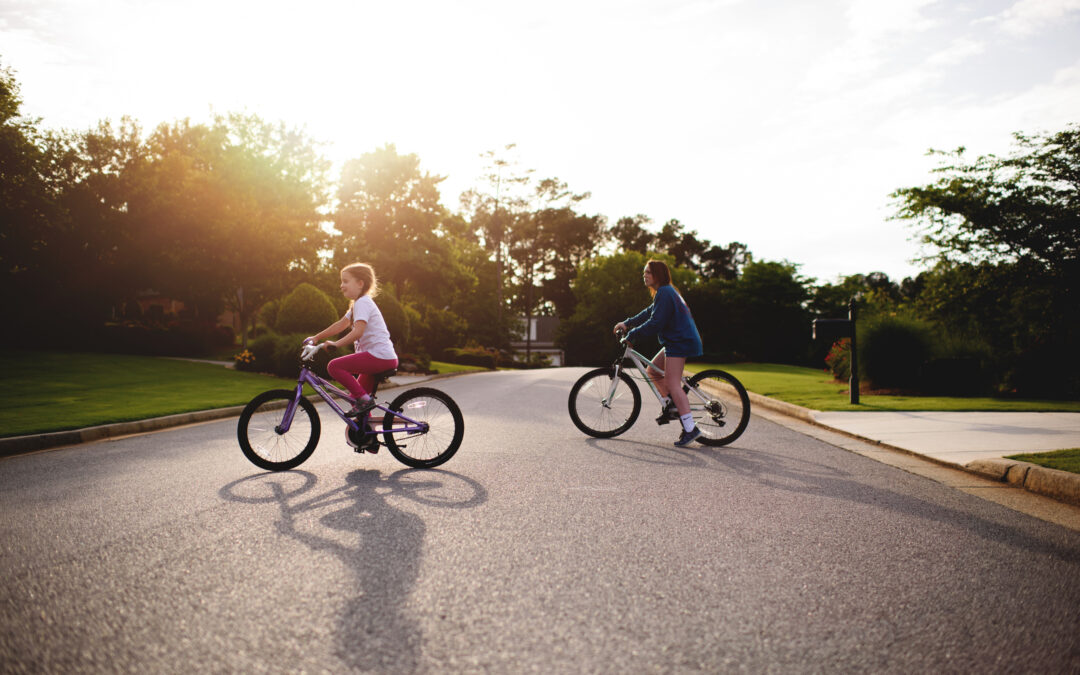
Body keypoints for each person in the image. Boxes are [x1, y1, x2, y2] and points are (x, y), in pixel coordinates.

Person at [614, 259, 704, 447]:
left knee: (672, 382)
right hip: (677, 340)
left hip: (680, 341)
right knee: (653, 371)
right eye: (644, 272)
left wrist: (632, 334)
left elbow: (656, 323)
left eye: (648, 272)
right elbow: (649, 313)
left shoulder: (665, 292)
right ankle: (672, 405)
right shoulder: (664, 292)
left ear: (658, 275)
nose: (644, 275)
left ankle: (690, 428)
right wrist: (627, 323)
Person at [306, 263, 399, 424]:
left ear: (360, 283)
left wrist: (336, 344)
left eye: (345, 281)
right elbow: (341, 324)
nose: (341, 286)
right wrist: (316, 337)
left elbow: (358, 331)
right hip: (379, 357)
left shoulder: (363, 302)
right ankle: (369, 438)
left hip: (379, 357)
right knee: (356, 399)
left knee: (334, 366)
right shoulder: (358, 304)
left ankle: (365, 401)